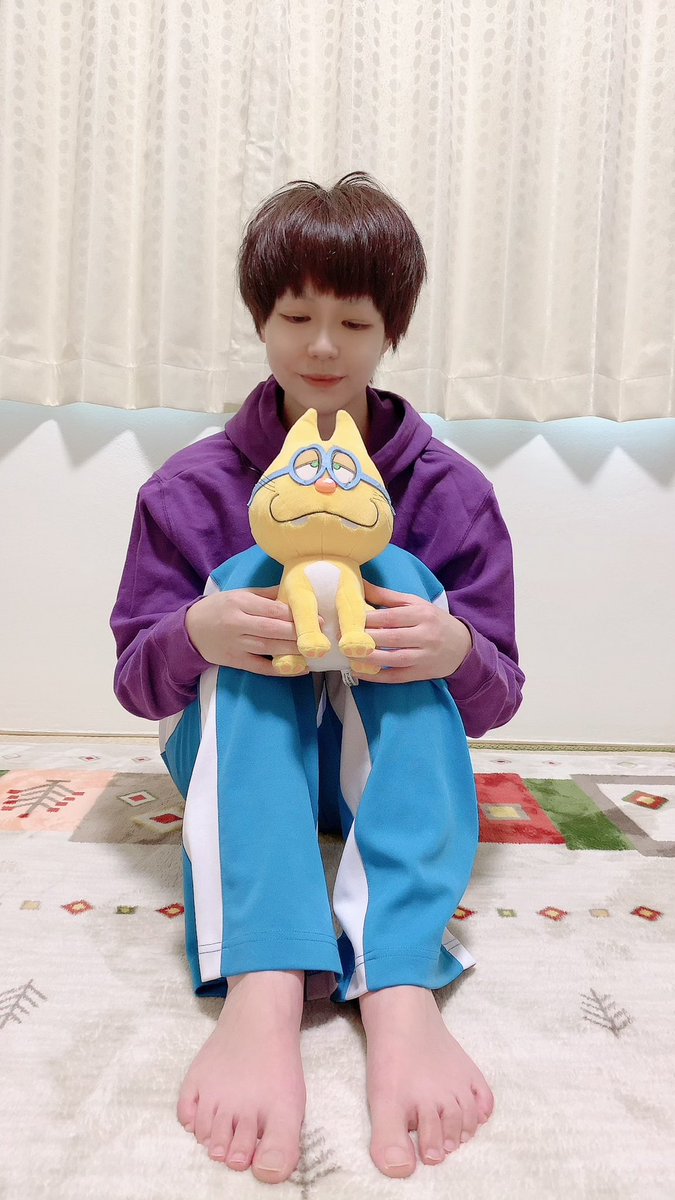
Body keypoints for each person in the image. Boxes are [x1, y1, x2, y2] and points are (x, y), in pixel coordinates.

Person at [110, 171, 525, 1184]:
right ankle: (262, 976)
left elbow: (498, 693)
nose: (324, 346)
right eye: (297, 317)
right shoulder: (189, 488)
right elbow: (136, 682)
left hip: (384, 762)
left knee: (406, 581)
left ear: (393, 332)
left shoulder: (452, 492)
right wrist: (199, 631)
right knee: (250, 577)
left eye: (355, 321)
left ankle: (396, 981)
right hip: (239, 753)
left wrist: (454, 649)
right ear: (261, 319)